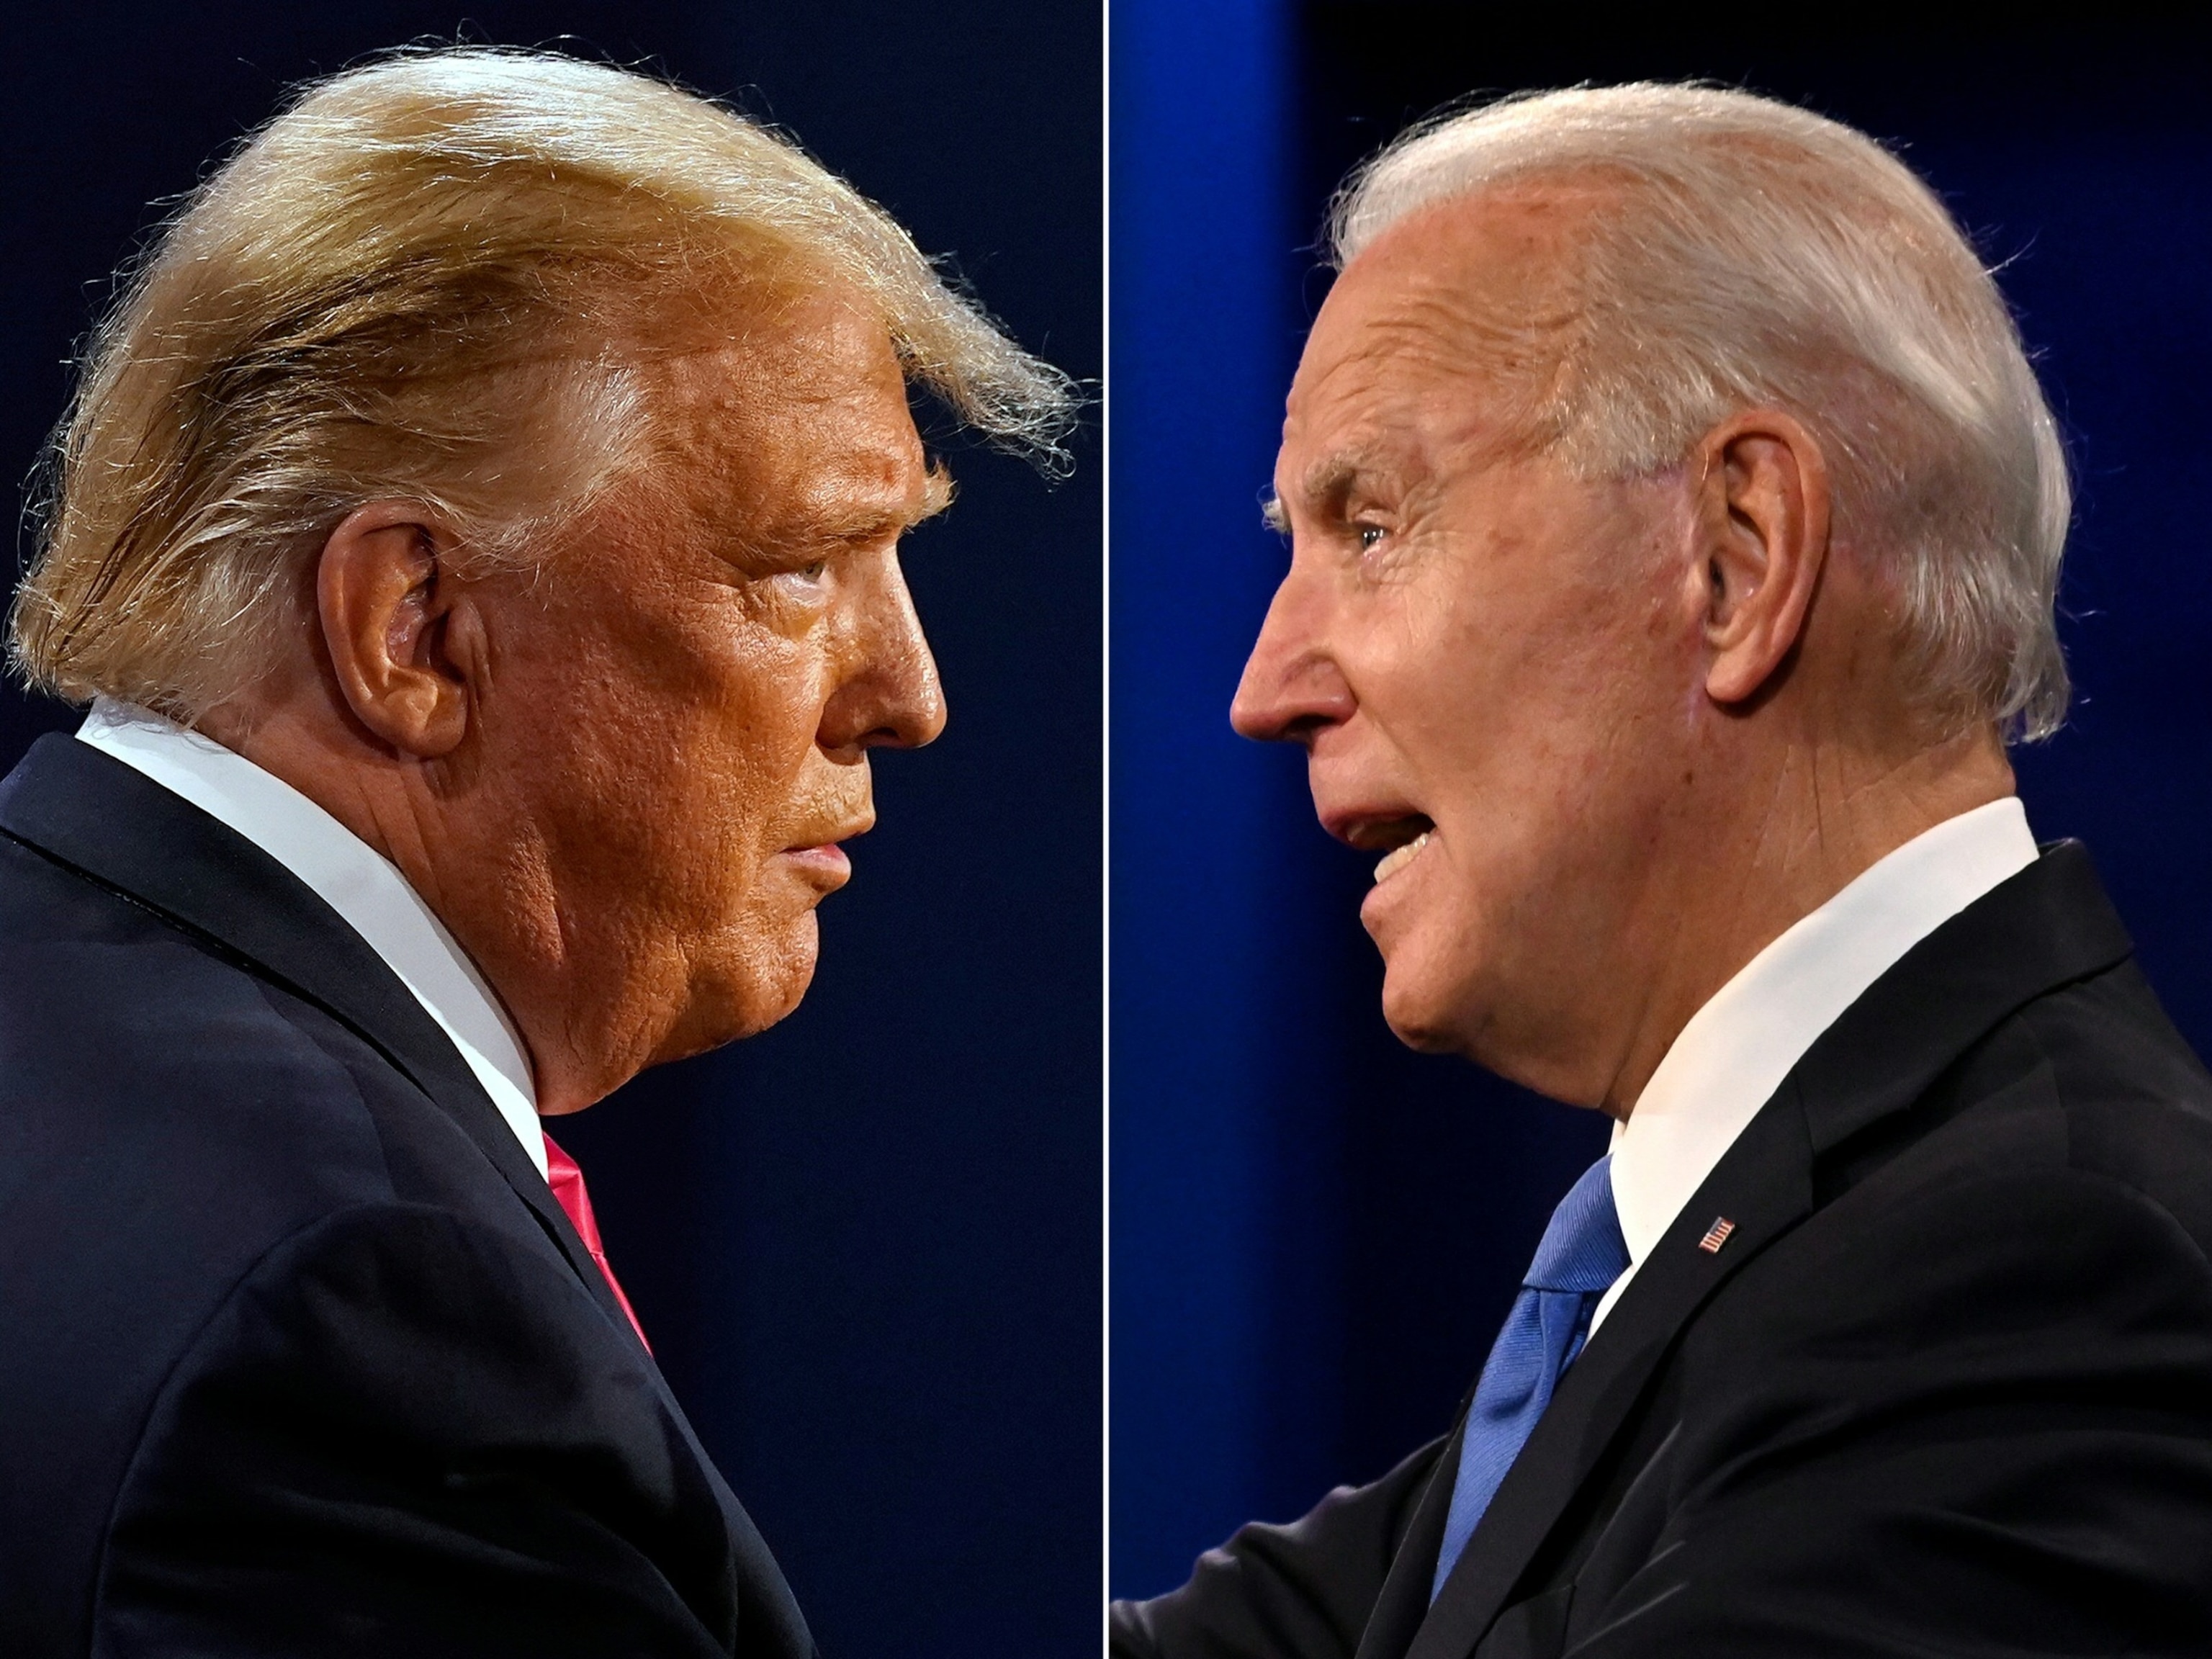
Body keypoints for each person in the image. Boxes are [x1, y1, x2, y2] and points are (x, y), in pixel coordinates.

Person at [1112, 83, 2212, 1658]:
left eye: (1368, 525)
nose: (1268, 682)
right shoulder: (1726, 1263)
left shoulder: (2040, 1279)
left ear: (1736, 557)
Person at [0, 47, 1071, 1658]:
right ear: (417, 628)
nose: (907, 696)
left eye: (898, 555)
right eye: (801, 565)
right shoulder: (365, 1322)